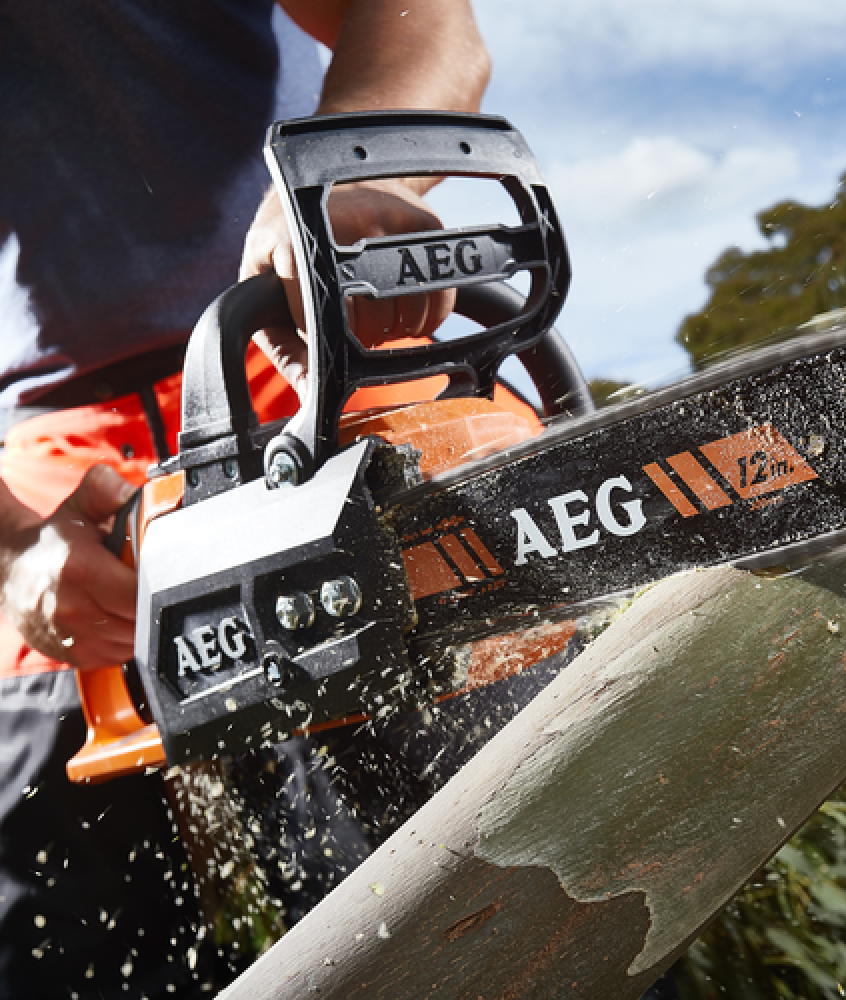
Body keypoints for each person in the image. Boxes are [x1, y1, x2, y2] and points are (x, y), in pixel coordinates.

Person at [0, 2, 491, 996]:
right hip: (54, 474)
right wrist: (10, 549)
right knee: (52, 925)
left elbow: (421, 19)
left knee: (490, 855)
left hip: (301, 349)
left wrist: (344, 174)